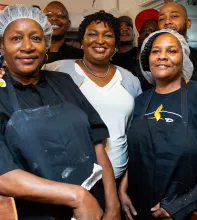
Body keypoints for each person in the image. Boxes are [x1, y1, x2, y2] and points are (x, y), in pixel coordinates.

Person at [0, 5, 119, 220]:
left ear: (46, 44)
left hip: (96, 210)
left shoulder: (63, 82)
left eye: (36, 38)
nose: (27, 47)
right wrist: (77, 196)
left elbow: (98, 145)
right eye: (16, 39)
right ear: (1, 46)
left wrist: (113, 207)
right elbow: (3, 176)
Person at [44, 11, 142, 215]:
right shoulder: (57, 71)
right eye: (92, 34)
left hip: (116, 181)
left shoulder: (130, 80)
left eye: (107, 35)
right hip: (70, 183)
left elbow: (134, 137)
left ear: (116, 43)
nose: (100, 40)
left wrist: (122, 188)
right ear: (82, 40)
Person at [119, 29, 197, 220]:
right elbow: (135, 154)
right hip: (137, 210)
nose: (162, 57)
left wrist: (180, 205)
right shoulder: (140, 101)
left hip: (188, 212)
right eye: (156, 51)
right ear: (147, 60)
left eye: (171, 51)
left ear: (183, 59)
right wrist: (123, 190)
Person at [158, 2, 197, 95]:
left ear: (188, 23)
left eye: (174, 16)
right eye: (162, 19)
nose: (167, 22)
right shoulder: (152, 66)